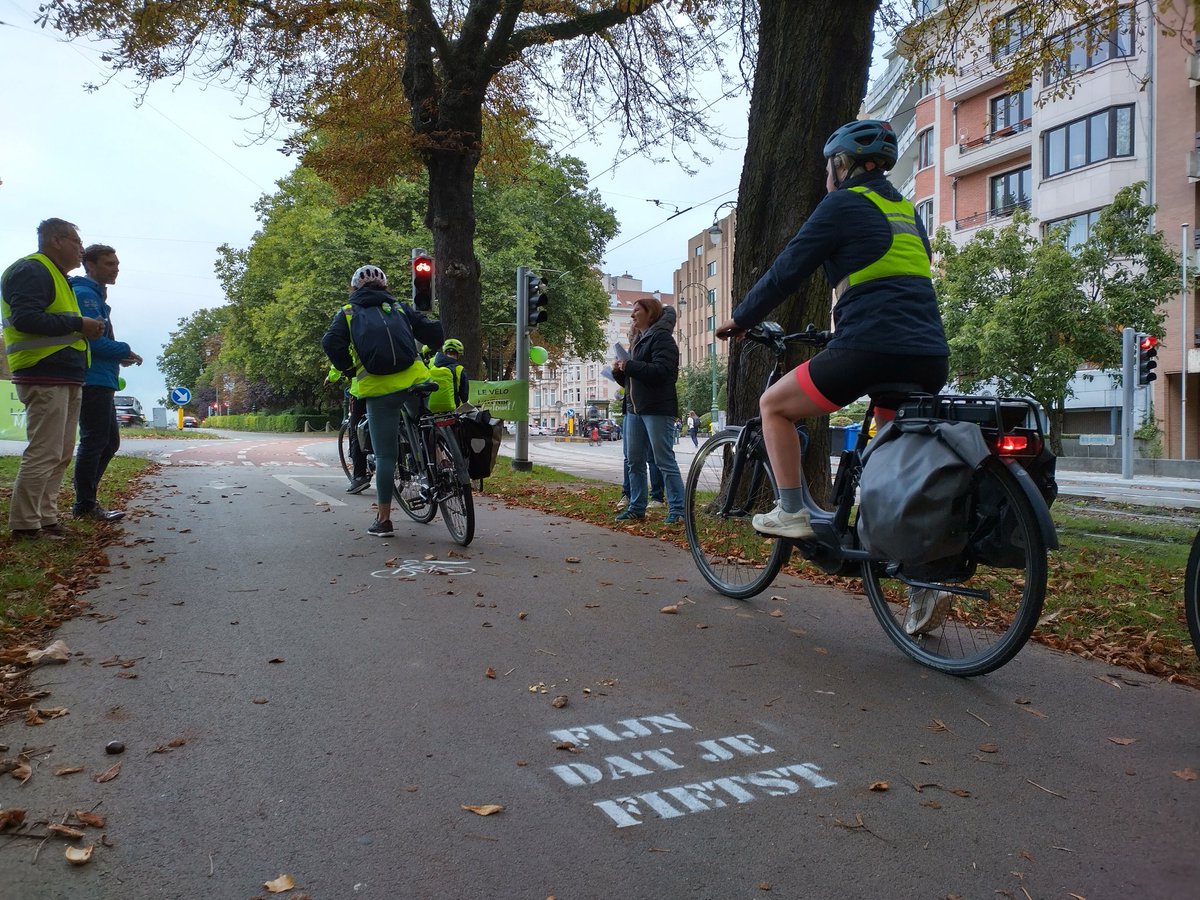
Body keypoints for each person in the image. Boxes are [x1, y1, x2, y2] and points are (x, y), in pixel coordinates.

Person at [715, 119, 950, 634]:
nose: (828, 175)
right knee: (891, 478)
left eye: (830, 166)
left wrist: (742, 317)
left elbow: (788, 269)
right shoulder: (908, 211)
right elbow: (892, 279)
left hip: (870, 348)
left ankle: (792, 510)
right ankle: (923, 581)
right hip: (929, 355)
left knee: (773, 406)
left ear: (841, 166)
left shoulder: (843, 204)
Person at [322, 264, 443, 538]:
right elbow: (432, 332)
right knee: (424, 424)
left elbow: (331, 343)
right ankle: (442, 467)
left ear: (355, 288)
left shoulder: (348, 313)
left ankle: (384, 520)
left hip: (378, 388)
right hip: (416, 380)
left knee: (386, 455)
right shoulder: (399, 308)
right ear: (384, 287)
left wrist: (348, 369)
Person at [1, 218, 103, 540]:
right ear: (57, 240)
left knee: (60, 452)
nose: (81, 249)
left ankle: (46, 519)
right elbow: (26, 318)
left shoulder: (57, 276)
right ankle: (25, 525)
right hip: (43, 371)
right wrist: (78, 324)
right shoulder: (32, 270)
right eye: (76, 242)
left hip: (64, 374)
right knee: (45, 451)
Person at [70, 244, 142, 522]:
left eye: (117, 263)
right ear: (90, 266)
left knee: (108, 442)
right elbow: (93, 340)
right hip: (92, 378)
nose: (116, 268)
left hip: (102, 377)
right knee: (95, 441)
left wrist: (121, 355)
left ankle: (86, 498)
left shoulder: (95, 295)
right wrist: (123, 350)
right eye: (109, 263)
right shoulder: (85, 294)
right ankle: (84, 504)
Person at [613, 297, 685, 525]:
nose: (632, 315)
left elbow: (664, 372)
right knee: (634, 461)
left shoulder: (662, 338)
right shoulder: (638, 340)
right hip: (634, 409)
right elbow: (633, 381)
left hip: (656, 408)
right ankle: (636, 507)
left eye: (636, 311)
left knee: (664, 460)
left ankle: (678, 510)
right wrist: (619, 372)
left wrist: (630, 366)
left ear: (650, 313)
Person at [328, 367, 370, 494]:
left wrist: (331, 377)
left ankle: (359, 477)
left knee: (356, 431)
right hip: (397, 387)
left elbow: (340, 356)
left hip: (364, 388)